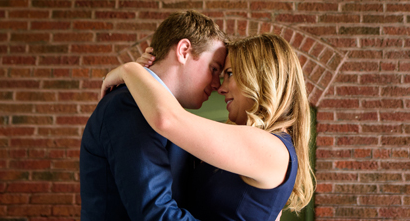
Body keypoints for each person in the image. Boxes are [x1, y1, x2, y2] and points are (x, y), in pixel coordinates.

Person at [100, 33, 315, 221]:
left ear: (261, 77)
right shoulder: (258, 144)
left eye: (229, 74)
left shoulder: (271, 148)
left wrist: (131, 71)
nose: (220, 88)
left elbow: (167, 119)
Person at [79, 10, 227, 221]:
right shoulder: (131, 105)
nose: (216, 85)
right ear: (184, 50)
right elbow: (155, 213)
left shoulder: (165, 109)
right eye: (214, 68)